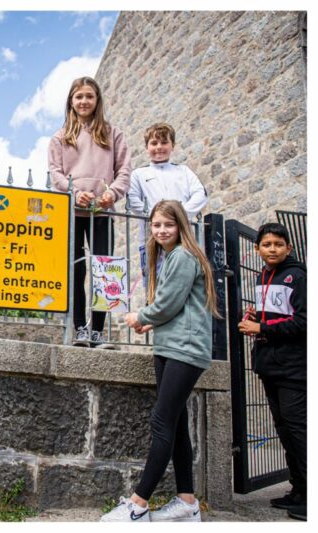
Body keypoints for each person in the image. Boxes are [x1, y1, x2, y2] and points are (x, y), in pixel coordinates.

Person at [100, 200, 221, 522]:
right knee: (177, 424)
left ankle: (138, 505)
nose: (162, 230)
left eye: (169, 224)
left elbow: (167, 303)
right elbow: (180, 306)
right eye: (156, 225)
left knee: (162, 422)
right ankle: (187, 502)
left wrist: (141, 315)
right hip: (173, 346)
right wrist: (151, 322)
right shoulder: (174, 257)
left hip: (184, 349)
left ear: (181, 226)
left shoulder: (182, 255)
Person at [49, 76, 131, 349]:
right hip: (72, 213)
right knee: (76, 271)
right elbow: (56, 175)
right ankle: (80, 329)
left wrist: (113, 193)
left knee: (105, 272)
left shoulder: (112, 133)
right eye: (79, 96)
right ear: (71, 102)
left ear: (97, 101)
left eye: (89, 96)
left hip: (102, 213)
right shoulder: (60, 137)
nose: (84, 101)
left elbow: (124, 171)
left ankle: (98, 330)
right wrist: (74, 192)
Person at [238, 223, 306, 521]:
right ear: (257, 250)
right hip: (270, 364)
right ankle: (299, 490)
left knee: (299, 430)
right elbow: (280, 313)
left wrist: (261, 327)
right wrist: (257, 316)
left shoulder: (299, 276)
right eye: (267, 244)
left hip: (294, 367)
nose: (273, 249)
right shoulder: (262, 276)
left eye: (279, 244)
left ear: (288, 248)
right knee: (283, 429)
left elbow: (304, 321)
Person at [128, 123, 208, 277]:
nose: (159, 147)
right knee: (155, 282)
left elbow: (200, 194)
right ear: (147, 147)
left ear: (173, 146)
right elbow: (132, 201)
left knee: (185, 280)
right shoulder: (138, 174)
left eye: (164, 142)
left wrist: (178, 215)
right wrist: (158, 217)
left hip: (184, 238)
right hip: (152, 239)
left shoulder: (183, 171)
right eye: (154, 143)